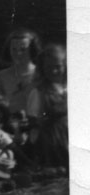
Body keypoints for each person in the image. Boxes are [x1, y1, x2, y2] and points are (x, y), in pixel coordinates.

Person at [26, 43, 67, 171]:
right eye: (48, 67)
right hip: (54, 140)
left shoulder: (74, 86)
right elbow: (33, 121)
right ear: (42, 68)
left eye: (58, 67)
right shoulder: (39, 92)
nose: (54, 71)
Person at [0, 28, 41, 132]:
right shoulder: (1, 76)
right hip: (10, 127)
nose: (18, 53)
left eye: (23, 49)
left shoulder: (41, 75)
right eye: (14, 49)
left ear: (32, 50)